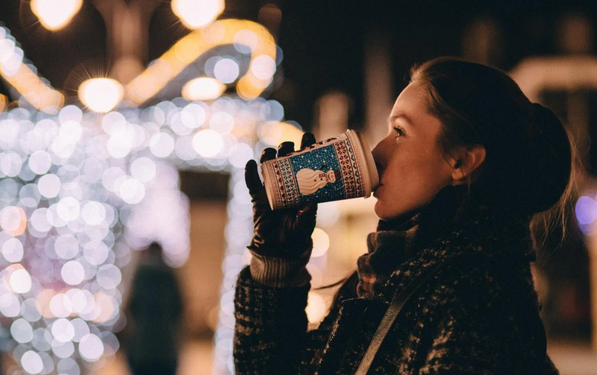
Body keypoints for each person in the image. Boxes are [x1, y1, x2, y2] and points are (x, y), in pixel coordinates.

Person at [234, 57, 575, 374]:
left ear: (462, 161)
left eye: (400, 132)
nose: (377, 153)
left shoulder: (473, 300)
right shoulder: (388, 275)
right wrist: (278, 261)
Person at [122, 242, 184, 375]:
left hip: (142, 348)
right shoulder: (169, 276)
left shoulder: (140, 276)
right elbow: (178, 308)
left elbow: (132, 307)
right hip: (165, 348)